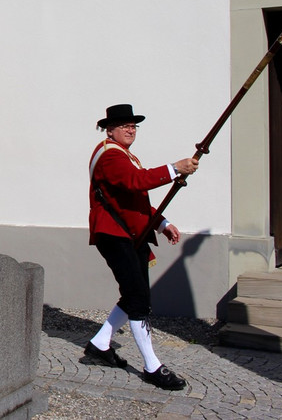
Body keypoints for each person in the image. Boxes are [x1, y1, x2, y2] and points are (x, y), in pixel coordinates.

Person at [84, 104, 199, 391]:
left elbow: (135, 202)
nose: (130, 129)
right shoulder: (110, 155)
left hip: (127, 232)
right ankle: (152, 366)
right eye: (123, 125)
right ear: (109, 129)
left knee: (136, 294)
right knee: (138, 299)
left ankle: (99, 344)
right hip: (113, 233)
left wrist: (162, 223)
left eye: (133, 125)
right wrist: (174, 169)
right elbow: (137, 182)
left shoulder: (125, 155)